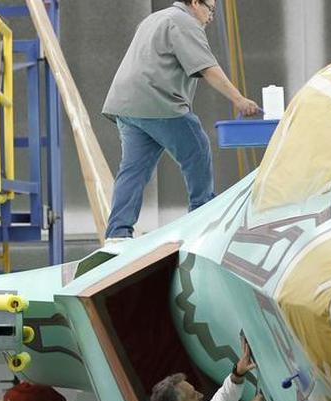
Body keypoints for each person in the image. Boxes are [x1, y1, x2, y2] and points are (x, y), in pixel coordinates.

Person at [102, 0, 261, 243]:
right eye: (210, 9)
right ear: (195, 3)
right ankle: (202, 216)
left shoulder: (154, 18)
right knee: (197, 149)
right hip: (157, 101)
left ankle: (118, 233)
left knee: (133, 170)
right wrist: (238, 99)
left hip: (126, 105)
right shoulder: (184, 21)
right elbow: (208, 67)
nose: (210, 17)